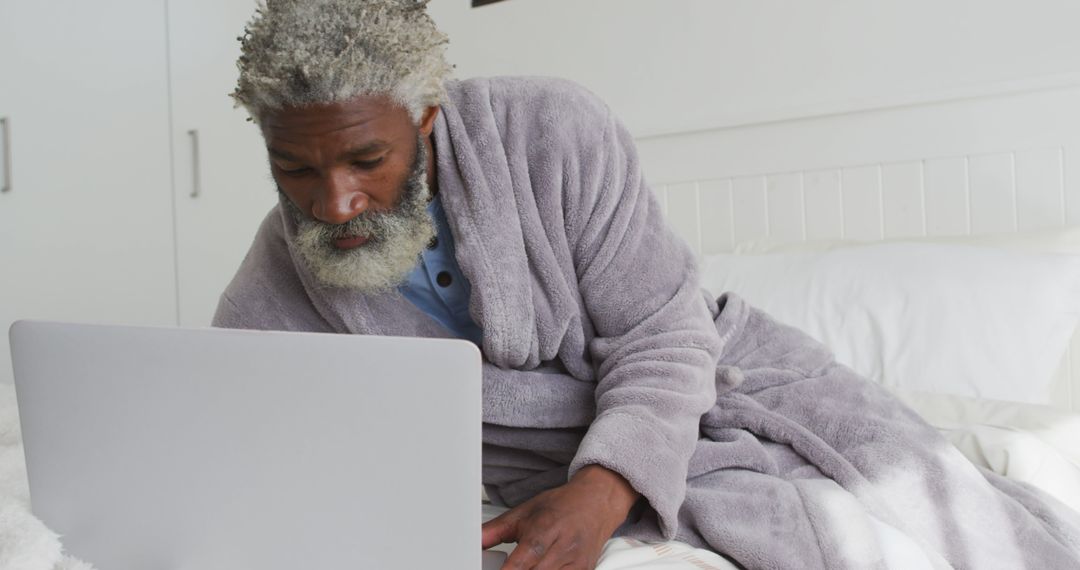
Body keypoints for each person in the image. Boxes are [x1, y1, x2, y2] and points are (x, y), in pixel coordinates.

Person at [216, 2, 1080, 569]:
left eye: (367, 159)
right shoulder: (274, 281)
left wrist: (604, 488)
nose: (334, 201)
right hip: (525, 472)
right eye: (293, 168)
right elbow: (240, 437)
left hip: (713, 376)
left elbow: (661, 331)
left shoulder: (551, 130)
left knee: (950, 512)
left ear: (427, 119)